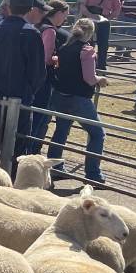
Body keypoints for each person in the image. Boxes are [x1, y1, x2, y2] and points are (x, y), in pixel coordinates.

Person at [0, 0, 47, 160]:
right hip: (20, 99)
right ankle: (10, 181)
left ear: (9, 7)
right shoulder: (31, 33)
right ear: (29, 9)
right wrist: (29, 91)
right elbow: (38, 72)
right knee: (17, 148)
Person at [48, 18, 109, 184]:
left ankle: (54, 167)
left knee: (61, 131)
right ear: (91, 33)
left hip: (61, 95)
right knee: (98, 134)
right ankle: (93, 174)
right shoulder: (87, 51)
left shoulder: (64, 47)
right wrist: (100, 79)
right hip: (79, 98)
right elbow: (89, 79)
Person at [28, 0, 70, 154]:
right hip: (44, 80)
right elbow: (45, 58)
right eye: (65, 14)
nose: (65, 19)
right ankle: (31, 151)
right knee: (39, 117)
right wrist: (58, 59)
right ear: (58, 13)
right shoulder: (50, 31)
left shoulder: (36, 26)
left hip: (31, 77)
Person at [84, 0, 122, 69]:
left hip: (104, 18)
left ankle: (101, 65)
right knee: (88, 42)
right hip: (90, 18)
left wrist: (109, 17)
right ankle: (88, 64)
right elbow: (82, 5)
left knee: (103, 44)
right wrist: (89, 15)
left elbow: (117, 8)